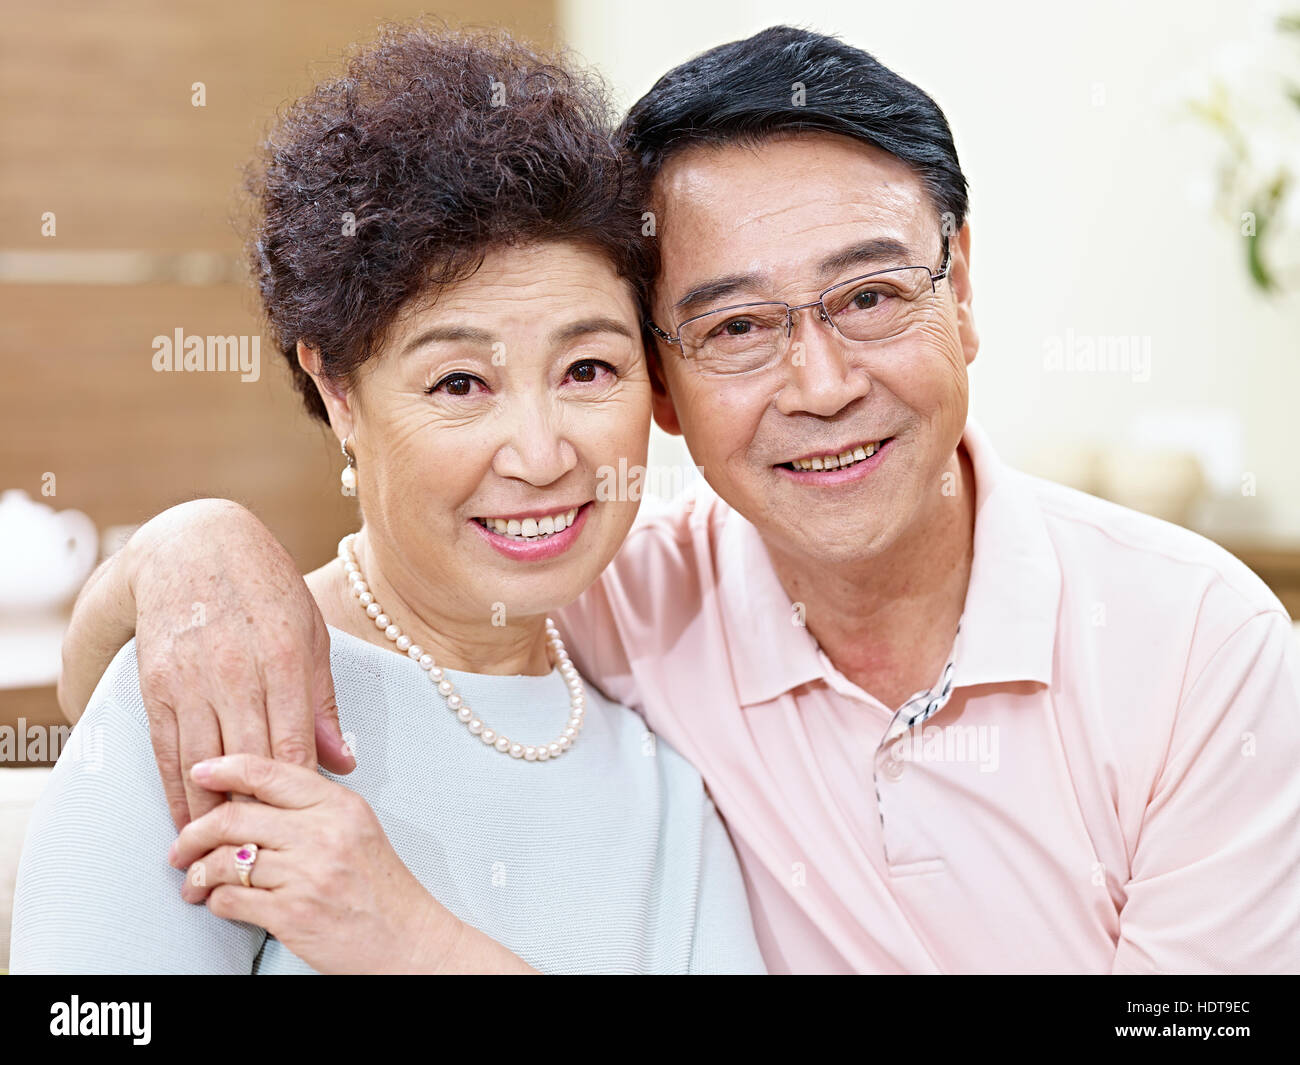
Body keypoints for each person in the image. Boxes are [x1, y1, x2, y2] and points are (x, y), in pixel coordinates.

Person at [51, 26, 1300, 974]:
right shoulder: (602, 614)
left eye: (868, 297)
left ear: (960, 287)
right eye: (738, 325)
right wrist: (190, 547)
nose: (820, 384)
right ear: (673, 377)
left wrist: (407, 940)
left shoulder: (1199, 650)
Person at [9, 25, 766, 975]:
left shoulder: (670, 785)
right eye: (460, 383)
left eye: (587, 367)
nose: (540, 453)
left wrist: (409, 944)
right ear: (336, 392)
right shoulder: (218, 689)